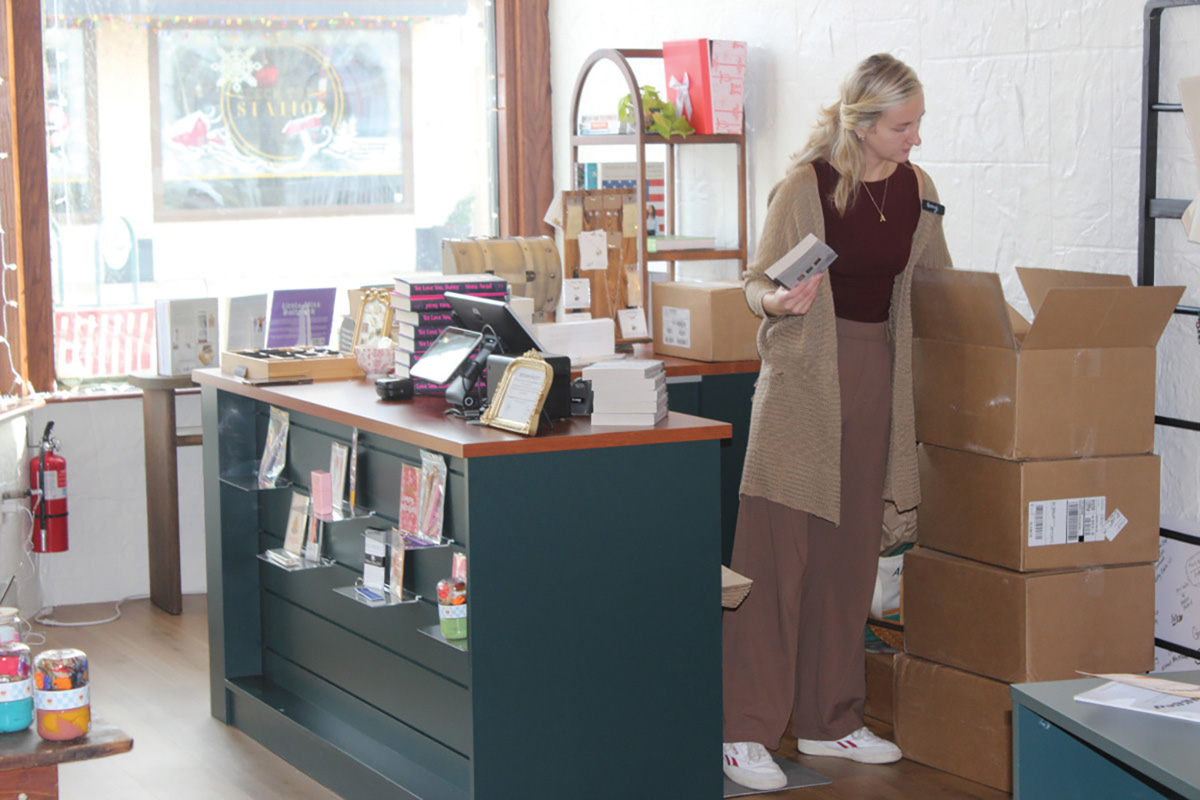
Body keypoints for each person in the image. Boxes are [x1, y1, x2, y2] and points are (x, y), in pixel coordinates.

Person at [721, 53, 952, 792]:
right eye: (902, 125)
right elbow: (756, 280)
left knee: (850, 557)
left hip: (879, 376)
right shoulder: (807, 187)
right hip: (802, 385)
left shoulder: (920, 189)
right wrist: (774, 303)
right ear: (864, 124)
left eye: (917, 123)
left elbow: (938, 284)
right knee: (773, 557)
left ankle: (831, 721)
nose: (915, 137)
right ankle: (744, 730)